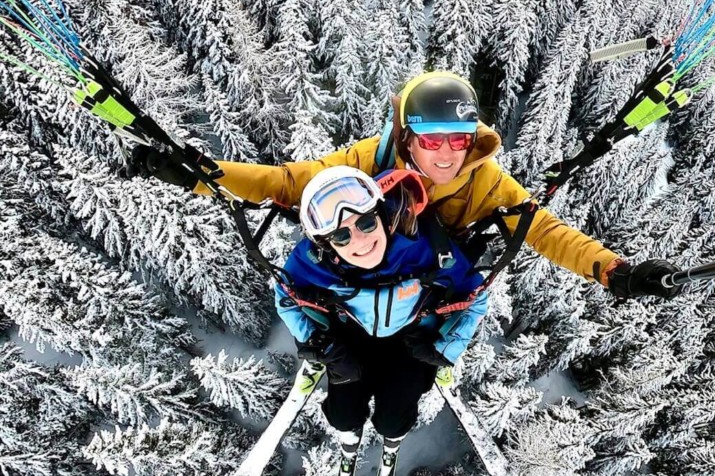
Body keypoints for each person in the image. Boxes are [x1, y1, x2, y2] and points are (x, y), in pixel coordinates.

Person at [130, 70, 681, 301]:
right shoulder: (371, 157)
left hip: (427, 280)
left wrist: (613, 270)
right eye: (431, 137)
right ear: (407, 135)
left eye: (458, 138)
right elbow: (286, 184)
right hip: (366, 268)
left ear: (473, 137)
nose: (445, 152)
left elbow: (545, 231)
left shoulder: (488, 183)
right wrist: (206, 177)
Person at [274, 164, 489, 463]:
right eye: (341, 236)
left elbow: (477, 296)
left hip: (412, 341)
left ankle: (393, 436)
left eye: (365, 223)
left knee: (394, 417)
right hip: (352, 339)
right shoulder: (313, 263)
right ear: (326, 245)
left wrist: (442, 348)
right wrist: (321, 345)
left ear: (382, 215)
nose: (360, 241)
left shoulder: (428, 250)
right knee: (342, 416)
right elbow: (284, 295)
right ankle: (349, 434)